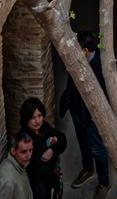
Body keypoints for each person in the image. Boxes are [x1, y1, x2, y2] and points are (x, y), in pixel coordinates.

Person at [60, 30, 110, 199]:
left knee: (97, 148)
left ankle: (104, 182)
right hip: (77, 110)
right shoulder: (79, 59)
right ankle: (88, 169)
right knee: (83, 143)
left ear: (86, 51)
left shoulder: (100, 66)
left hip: (92, 116)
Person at [19, 97, 67, 199]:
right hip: (37, 184)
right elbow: (39, 167)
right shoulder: (24, 139)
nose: (37, 121)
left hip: (50, 180)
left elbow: (62, 139)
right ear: (26, 118)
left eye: (39, 115)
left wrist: (52, 150)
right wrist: (55, 146)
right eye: (33, 118)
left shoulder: (43, 127)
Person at [0, 130, 35, 199]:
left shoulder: (19, 165)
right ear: (13, 151)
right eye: (23, 152)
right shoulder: (7, 182)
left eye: (30, 150)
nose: (29, 156)